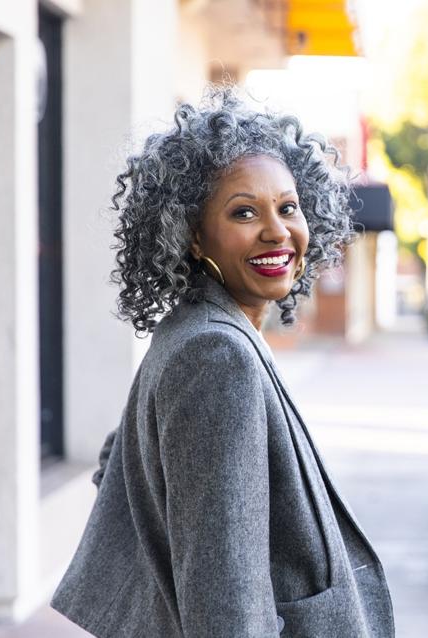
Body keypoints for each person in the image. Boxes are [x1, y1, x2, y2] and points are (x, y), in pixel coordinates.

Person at [50, 87, 395, 638]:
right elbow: (227, 604)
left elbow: (123, 468)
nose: (278, 231)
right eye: (244, 212)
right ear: (191, 235)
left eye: (288, 207)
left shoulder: (198, 331)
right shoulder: (216, 356)